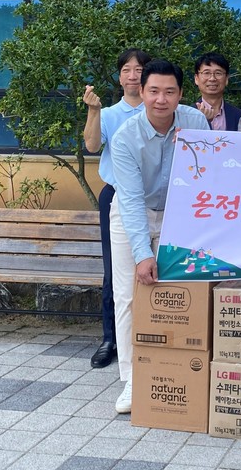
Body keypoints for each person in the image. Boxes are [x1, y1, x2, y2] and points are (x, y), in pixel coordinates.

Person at [109, 59, 210, 414]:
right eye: (153, 91)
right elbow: (131, 200)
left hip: (176, 214)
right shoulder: (125, 136)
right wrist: (142, 254)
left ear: (181, 94)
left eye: (169, 91)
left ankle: (177, 367)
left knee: (179, 291)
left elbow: (208, 177)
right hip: (131, 213)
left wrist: (193, 152)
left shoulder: (195, 122)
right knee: (128, 296)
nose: (161, 99)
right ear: (141, 92)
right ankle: (132, 379)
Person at [82, 48, 151, 370]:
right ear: (120, 77)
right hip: (116, 196)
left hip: (154, 197)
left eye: (139, 69)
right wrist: (93, 111)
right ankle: (110, 339)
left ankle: (149, 333)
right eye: (127, 70)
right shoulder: (109, 113)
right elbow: (92, 145)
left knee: (153, 267)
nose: (133, 75)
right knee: (114, 271)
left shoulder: (158, 109)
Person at [193, 52, 241, 131]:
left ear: (226, 79)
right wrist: (202, 121)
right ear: (196, 79)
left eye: (218, 73)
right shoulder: (186, 115)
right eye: (206, 73)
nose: (212, 78)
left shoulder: (240, 116)